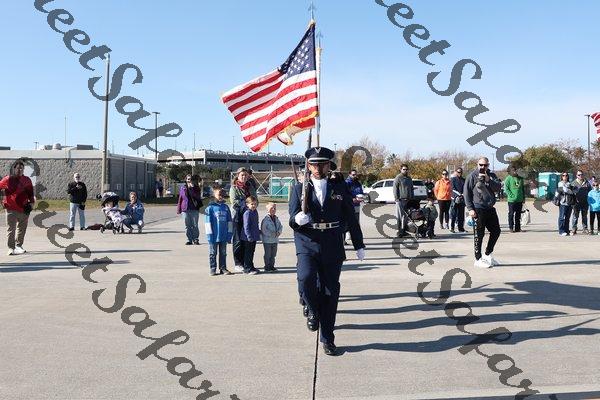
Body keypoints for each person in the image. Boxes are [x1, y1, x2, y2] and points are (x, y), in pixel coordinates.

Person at [289, 146, 366, 356]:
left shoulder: (339, 188)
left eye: (322, 164)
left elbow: (350, 217)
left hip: (332, 242)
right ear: (308, 166)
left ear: (328, 166)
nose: (318, 168)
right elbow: (292, 219)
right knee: (305, 278)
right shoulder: (299, 188)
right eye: (314, 164)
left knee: (330, 293)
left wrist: (358, 244)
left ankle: (328, 338)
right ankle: (313, 310)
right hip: (307, 241)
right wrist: (297, 219)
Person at [464, 157, 502, 268]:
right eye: (481, 165)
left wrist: (488, 179)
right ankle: (478, 259)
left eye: (485, 165)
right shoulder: (472, 176)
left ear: (488, 165)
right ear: (477, 164)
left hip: (490, 208)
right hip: (478, 208)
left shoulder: (491, 175)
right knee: (479, 235)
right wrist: (470, 209)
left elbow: (498, 187)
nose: (483, 167)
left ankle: (487, 254)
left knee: (496, 231)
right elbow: (466, 193)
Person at [0, 159, 35, 255]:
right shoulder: (8, 179)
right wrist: (2, 201)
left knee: (22, 229)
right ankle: (11, 248)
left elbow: (30, 193)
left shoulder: (27, 180)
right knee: (11, 229)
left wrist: (32, 203)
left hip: (24, 208)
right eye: (18, 168)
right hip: (11, 208)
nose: (20, 170)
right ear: (14, 168)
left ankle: (19, 245)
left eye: (22, 168)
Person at [229, 167, 258, 272]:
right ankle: (238, 263)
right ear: (238, 176)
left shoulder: (250, 187)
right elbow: (234, 201)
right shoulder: (234, 188)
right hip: (238, 216)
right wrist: (247, 204)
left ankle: (247, 263)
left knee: (247, 241)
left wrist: (252, 205)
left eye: (246, 175)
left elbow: (255, 199)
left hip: (249, 215)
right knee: (238, 240)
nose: (244, 177)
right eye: (242, 175)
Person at [204, 188, 233, 276]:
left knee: (223, 253)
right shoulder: (210, 208)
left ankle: (223, 268)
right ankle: (213, 268)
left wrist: (229, 234)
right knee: (213, 253)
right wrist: (209, 236)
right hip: (214, 236)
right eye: (219, 194)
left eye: (222, 195)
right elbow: (207, 223)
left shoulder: (226, 207)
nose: (221, 196)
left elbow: (229, 222)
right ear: (214, 195)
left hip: (224, 235)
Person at [177, 174, 203, 245]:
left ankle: (196, 239)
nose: (189, 180)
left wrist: (192, 188)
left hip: (194, 209)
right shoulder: (183, 188)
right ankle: (189, 240)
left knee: (195, 225)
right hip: (185, 209)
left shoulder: (196, 188)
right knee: (187, 226)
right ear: (186, 180)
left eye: (191, 179)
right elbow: (180, 199)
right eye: (188, 179)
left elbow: (197, 197)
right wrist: (179, 209)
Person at [393, 164, 414, 237]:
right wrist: (397, 198)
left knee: (406, 217)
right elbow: (395, 188)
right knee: (400, 216)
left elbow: (411, 188)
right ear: (401, 170)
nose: (405, 171)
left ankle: (404, 231)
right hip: (400, 200)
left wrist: (412, 198)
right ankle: (399, 231)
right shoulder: (398, 178)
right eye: (404, 169)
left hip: (408, 200)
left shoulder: (409, 178)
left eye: (406, 169)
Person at [260, 202, 283, 273]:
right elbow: (264, 230)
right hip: (267, 240)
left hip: (275, 240)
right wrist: (272, 234)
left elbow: (280, 226)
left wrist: (279, 232)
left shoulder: (276, 219)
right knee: (268, 254)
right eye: (271, 208)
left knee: (273, 254)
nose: (273, 209)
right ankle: (267, 266)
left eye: (274, 208)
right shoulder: (265, 220)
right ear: (267, 210)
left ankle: (272, 266)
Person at [241, 195, 261, 275]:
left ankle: (251, 266)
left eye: (255, 204)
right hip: (248, 237)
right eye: (252, 204)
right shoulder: (247, 213)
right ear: (247, 204)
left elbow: (256, 223)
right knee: (248, 253)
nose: (253, 206)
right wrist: (249, 236)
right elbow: (246, 226)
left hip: (254, 236)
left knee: (252, 252)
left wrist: (258, 232)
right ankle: (247, 268)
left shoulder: (255, 212)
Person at [504, 165, 526, 233]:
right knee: (511, 214)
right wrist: (511, 196)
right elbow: (506, 189)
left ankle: (518, 228)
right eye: (513, 170)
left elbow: (522, 189)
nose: (515, 171)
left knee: (518, 215)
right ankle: (511, 228)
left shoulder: (520, 178)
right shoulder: (508, 179)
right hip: (511, 200)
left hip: (519, 200)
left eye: (515, 170)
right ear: (510, 171)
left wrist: (523, 198)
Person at [344, 169, 364, 244]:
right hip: (349, 205)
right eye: (353, 174)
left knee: (356, 221)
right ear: (349, 175)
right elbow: (345, 194)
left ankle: (356, 239)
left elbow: (361, 191)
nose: (355, 176)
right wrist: (352, 199)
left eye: (356, 174)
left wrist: (362, 197)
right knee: (347, 221)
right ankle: (346, 234)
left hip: (357, 205)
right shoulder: (347, 183)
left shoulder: (358, 183)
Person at [571, 170, 591, 234]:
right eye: (579, 175)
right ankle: (574, 228)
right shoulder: (573, 183)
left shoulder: (587, 183)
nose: (580, 176)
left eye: (581, 174)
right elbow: (571, 193)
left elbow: (590, 192)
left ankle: (585, 228)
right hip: (576, 203)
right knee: (575, 216)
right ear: (576, 175)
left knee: (584, 216)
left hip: (585, 202)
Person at [450, 168, 466, 233]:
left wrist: (463, 194)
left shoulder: (464, 180)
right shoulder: (453, 179)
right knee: (453, 214)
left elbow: (465, 189)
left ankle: (461, 228)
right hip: (454, 199)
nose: (460, 173)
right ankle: (452, 228)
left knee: (461, 214)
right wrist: (458, 195)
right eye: (458, 172)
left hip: (462, 199)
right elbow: (452, 188)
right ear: (456, 172)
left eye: (461, 172)